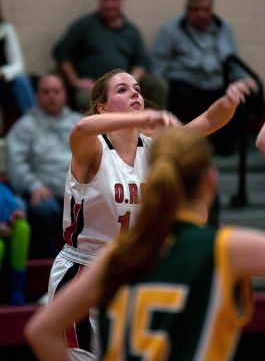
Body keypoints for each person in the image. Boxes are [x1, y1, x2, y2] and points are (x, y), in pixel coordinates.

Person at [28, 68, 251, 360]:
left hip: (131, 268)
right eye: (122, 89)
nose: (135, 92)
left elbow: (209, 120)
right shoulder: (93, 149)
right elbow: (82, 127)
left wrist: (229, 102)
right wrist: (144, 119)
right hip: (83, 270)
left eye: (137, 88)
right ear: (102, 108)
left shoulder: (155, 147)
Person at [151, 0, 249, 156]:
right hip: (185, 87)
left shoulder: (223, 28)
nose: (201, 14)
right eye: (196, 10)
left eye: (206, 9)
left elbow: (234, 61)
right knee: (180, 96)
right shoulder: (170, 30)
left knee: (241, 97)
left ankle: (222, 147)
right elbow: (158, 63)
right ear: (187, 9)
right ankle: (185, 145)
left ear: (211, 9)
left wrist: (244, 81)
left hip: (217, 86)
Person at [52, 0, 168, 112]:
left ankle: (154, 127)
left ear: (121, 0)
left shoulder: (131, 30)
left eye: (113, 0)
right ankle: (104, 132)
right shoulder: (85, 25)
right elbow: (61, 52)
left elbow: (142, 61)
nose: (109, 4)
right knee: (85, 98)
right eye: (105, 0)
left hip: (125, 85)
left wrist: (131, 82)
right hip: (95, 87)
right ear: (99, 0)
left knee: (159, 84)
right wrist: (75, 81)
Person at [5, 73, 81, 258]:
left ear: (65, 94)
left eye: (56, 91)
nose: (52, 96)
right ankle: (56, 263)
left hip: (80, 191)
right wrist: (33, 186)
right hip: (46, 193)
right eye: (45, 92)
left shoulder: (80, 123)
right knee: (43, 210)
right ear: (37, 96)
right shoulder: (24, 126)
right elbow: (15, 165)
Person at [0, 1, 36, 134]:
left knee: (22, 80)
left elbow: (18, 64)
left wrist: (3, 72)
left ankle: (35, 124)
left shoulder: (6, 29)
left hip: (3, 80)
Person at [0, 182, 30, 305]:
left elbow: (17, 203)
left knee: (22, 227)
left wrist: (17, 211)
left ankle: (16, 291)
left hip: (6, 227)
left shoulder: (4, 187)